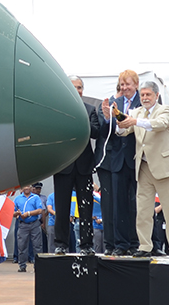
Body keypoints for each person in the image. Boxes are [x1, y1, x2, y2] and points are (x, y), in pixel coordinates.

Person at [116, 81, 169, 258]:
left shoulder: (166, 110)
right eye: (143, 94)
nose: (145, 98)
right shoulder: (136, 112)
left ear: (156, 96)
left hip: (165, 167)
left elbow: (159, 124)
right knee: (143, 211)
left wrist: (135, 120)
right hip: (143, 166)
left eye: (148, 95)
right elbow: (123, 131)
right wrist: (115, 118)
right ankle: (145, 246)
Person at [53, 77, 103, 255]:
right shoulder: (58, 110)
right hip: (63, 165)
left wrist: (82, 120)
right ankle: (61, 244)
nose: (77, 90)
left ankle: (86, 245)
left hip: (84, 166)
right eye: (74, 87)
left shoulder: (90, 110)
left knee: (86, 207)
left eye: (80, 87)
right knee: (62, 207)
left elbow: (97, 133)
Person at [97, 70, 141, 256]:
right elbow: (105, 132)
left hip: (138, 158)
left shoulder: (144, 100)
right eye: (122, 85)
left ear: (136, 85)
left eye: (128, 84)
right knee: (119, 204)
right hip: (117, 160)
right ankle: (121, 244)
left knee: (138, 204)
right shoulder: (116, 103)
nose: (124, 88)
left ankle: (138, 242)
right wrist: (107, 118)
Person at [14, 184, 44, 272]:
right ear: (21, 188)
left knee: (37, 246)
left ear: (31, 188)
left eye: (28, 186)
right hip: (22, 224)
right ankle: (22, 266)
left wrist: (28, 213)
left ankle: (38, 266)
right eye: (25, 186)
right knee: (22, 245)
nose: (26, 188)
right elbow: (12, 212)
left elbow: (40, 210)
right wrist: (17, 214)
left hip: (34, 223)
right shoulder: (17, 199)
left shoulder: (35, 197)